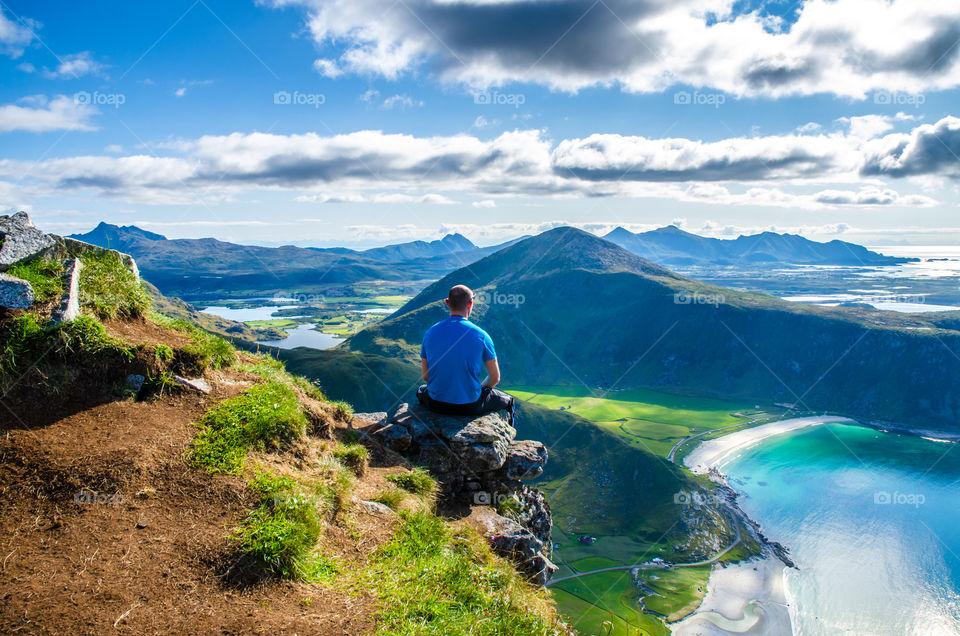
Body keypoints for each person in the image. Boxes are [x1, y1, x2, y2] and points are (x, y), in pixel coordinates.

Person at [417, 284, 515, 423]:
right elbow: (494, 378)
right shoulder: (481, 335)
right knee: (509, 401)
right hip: (470, 406)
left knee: (421, 390)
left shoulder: (430, 333)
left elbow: (427, 377)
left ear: (447, 303)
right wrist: (478, 389)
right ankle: (506, 441)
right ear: (470, 303)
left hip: (436, 404)